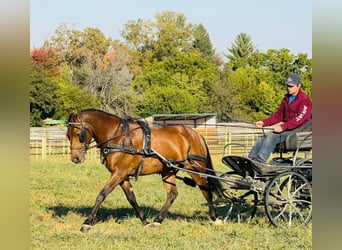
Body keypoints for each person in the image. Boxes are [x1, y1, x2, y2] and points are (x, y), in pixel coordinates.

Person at [248, 74, 312, 164]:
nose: (289, 88)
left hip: (298, 130)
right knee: (263, 136)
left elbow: (300, 119)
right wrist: (263, 123)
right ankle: (251, 160)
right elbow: (278, 115)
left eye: (291, 86)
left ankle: (260, 161)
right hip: (287, 129)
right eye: (287, 86)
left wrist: (283, 127)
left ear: (299, 86)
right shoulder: (286, 98)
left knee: (271, 136)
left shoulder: (304, 100)